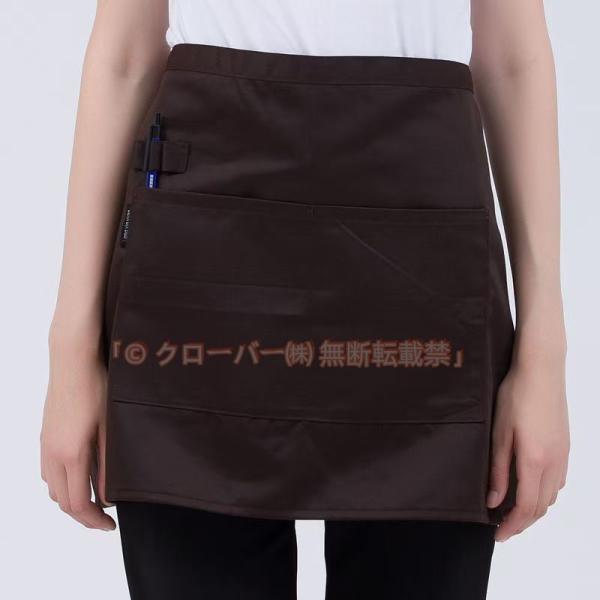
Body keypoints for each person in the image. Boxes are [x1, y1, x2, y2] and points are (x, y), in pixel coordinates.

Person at [40, 1, 570, 598]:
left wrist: (544, 359)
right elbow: (125, 53)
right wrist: (71, 353)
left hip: (424, 267)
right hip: (203, 268)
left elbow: (512, 58)